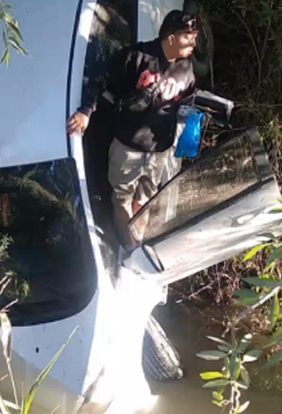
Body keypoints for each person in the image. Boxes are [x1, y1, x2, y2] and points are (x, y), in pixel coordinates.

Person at [67, 10, 199, 250]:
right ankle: (128, 248)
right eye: (189, 36)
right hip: (128, 149)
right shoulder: (135, 57)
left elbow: (187, 102)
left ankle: (139, 240)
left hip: (159, 152)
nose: (194, 42)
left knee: (146, 199)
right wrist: (86, 111)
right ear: (171, 37)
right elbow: (100, 80)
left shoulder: (186, 69)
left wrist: (188, 132)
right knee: (122, 199)